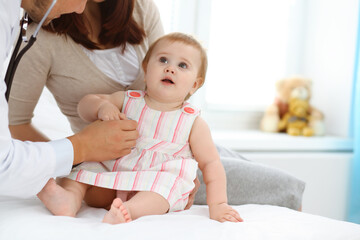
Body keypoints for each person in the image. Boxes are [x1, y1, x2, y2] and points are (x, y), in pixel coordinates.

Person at [8, 0, 305, 210]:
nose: (167, 67)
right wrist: (78, 153)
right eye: (161, 62)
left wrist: (182, 173)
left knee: (283, 184)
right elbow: (16, 123)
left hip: (173, 149)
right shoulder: (42, 33)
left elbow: (174, 65)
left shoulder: (139, 8)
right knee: (281, 186)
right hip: (113, 161)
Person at [39, 32, 243, 224]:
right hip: (111, 175)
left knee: (167, 186)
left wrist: (218, 204)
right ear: (145, 71)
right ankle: (69, 199)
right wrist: (102, 107)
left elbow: (211, 164)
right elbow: (84, 105)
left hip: (152, 182)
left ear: (194, 85)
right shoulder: (128, 100)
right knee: (83, 167)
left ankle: (128, 210)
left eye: (182, 65)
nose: (170, 68)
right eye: (163, 60)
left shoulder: (193, 122)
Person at [0, 0, 140, 199]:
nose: (81, 8)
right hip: (99, 163)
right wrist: (82, 149)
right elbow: (3, 160)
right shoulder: (29, 30)